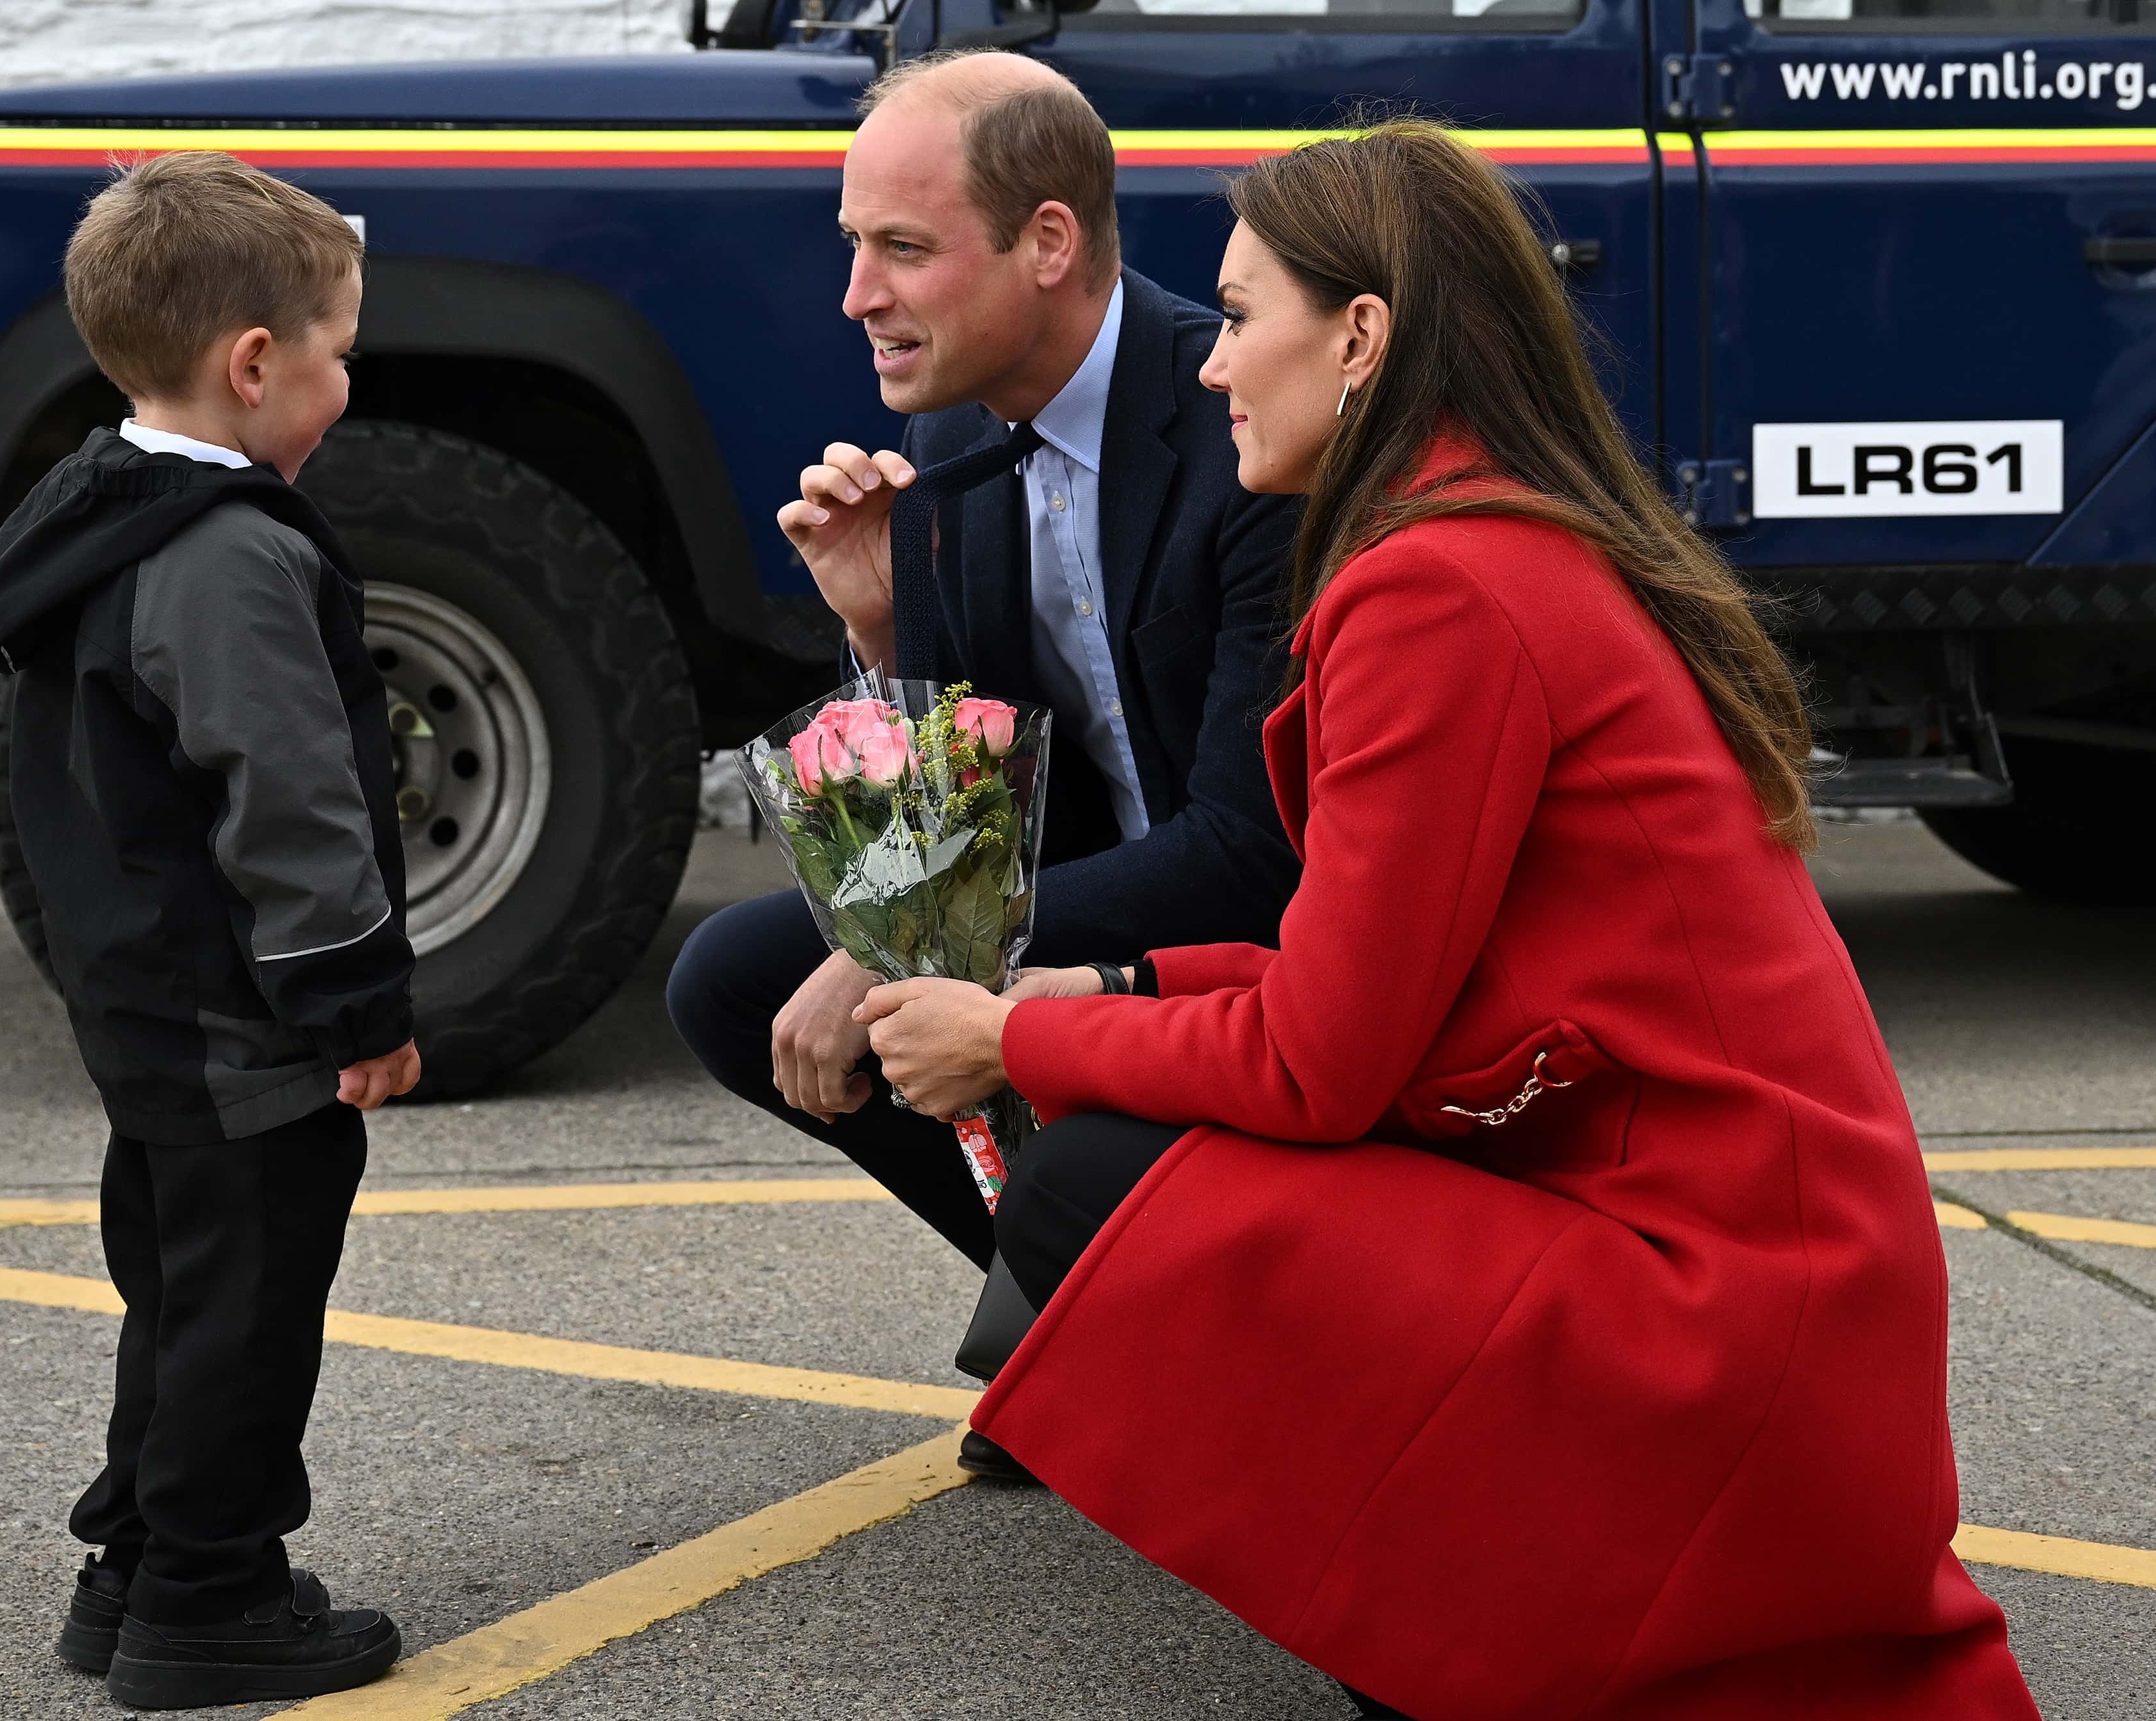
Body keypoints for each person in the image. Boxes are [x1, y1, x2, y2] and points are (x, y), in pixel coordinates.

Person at [856, 121, 2040, 1720]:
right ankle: (1455, 1622)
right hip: (1766, 1280)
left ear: (1358, 339)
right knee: (1125, 1143)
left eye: (1239, 316)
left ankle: (1460, 1644)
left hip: (1712, 1308)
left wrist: (1018, 1031)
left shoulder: (1437, 587)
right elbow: (1394, 968)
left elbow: (1327, 1063)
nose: (1209, 370)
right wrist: (1124, 978)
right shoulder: (1492, 537)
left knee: (1092, 1179)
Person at [664, 50, 1301, 1476]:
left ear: (1049, 244)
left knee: (865, 981)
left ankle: (1154, 1342)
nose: (856, 297)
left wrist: (904, 948)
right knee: (734, 980)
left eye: (902, 248)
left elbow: (1252, 846)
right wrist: (877, 630)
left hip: (1261, 933)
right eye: (853, 248)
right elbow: (964, 777)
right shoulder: (949, 427)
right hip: (1087, 887)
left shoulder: (1237, 424)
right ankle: (1087, 1325)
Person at [0, 152, 416, 1710]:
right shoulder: (227, 556)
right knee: (244, 1306)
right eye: (340, 351)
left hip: (144, 1005)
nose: (348, 379)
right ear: (253, 363)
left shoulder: (95, 516)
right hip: (242, 1027)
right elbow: (289, 807)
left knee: (180, 1292)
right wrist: (360, 1006)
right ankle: (211, 1602)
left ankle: (136, 1569)